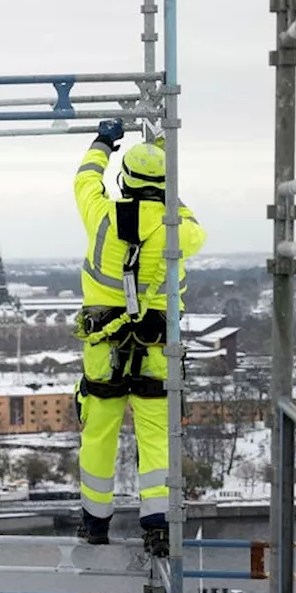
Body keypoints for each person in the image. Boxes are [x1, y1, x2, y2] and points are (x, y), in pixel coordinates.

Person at [73, 119, 206, 556]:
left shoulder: (102, 216)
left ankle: (95, 524)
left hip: (104, 347)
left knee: (98, 435)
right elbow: (190, 223)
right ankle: (158, 527)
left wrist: (103, 142)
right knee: (156, 439)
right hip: (156, 348)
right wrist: (165, 161)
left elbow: (86, 178)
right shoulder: (179, 229)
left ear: (124, 181)